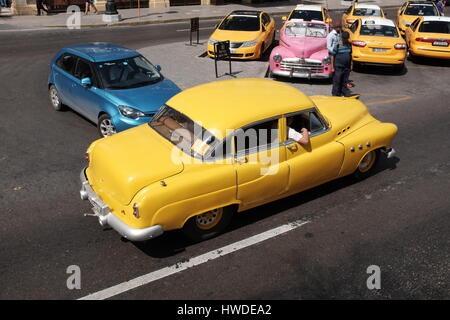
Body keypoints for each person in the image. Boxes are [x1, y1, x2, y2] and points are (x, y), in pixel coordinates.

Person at [331, 31, 356, 97]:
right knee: (337, 81)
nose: (345, 40)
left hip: (346, 67)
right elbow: (332, 56)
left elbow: (350, 55)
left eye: (346, 38)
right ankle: (335, 94)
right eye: (344, 38)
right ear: (342, 38)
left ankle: (343, 94)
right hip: (338, 67)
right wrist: (332, 67)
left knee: (344, 81)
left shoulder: (349, 45)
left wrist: (351, 65)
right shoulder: (338, 45)